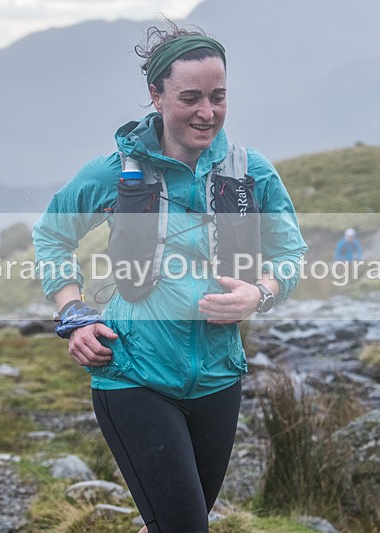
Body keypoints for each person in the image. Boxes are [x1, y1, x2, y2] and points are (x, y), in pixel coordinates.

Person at [32, 22, 306, 533]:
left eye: (218, 97)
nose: (207, 112)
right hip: (133, 374)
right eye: (190, 98)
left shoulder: (252, 171)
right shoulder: (115, 172)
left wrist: (259, 293)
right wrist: (73, 312)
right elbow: (51, 236)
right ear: (156, 96)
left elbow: (290, 253)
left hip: (219, 378)